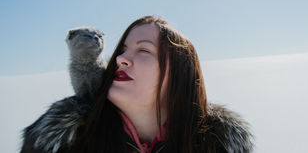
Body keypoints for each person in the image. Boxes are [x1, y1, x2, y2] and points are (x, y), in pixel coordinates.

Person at [21, 15, 254, 153]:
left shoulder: (219, 145)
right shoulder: (58, 143)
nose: (120, 59)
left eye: (143, 50)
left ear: (179, 73)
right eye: (121, 50)